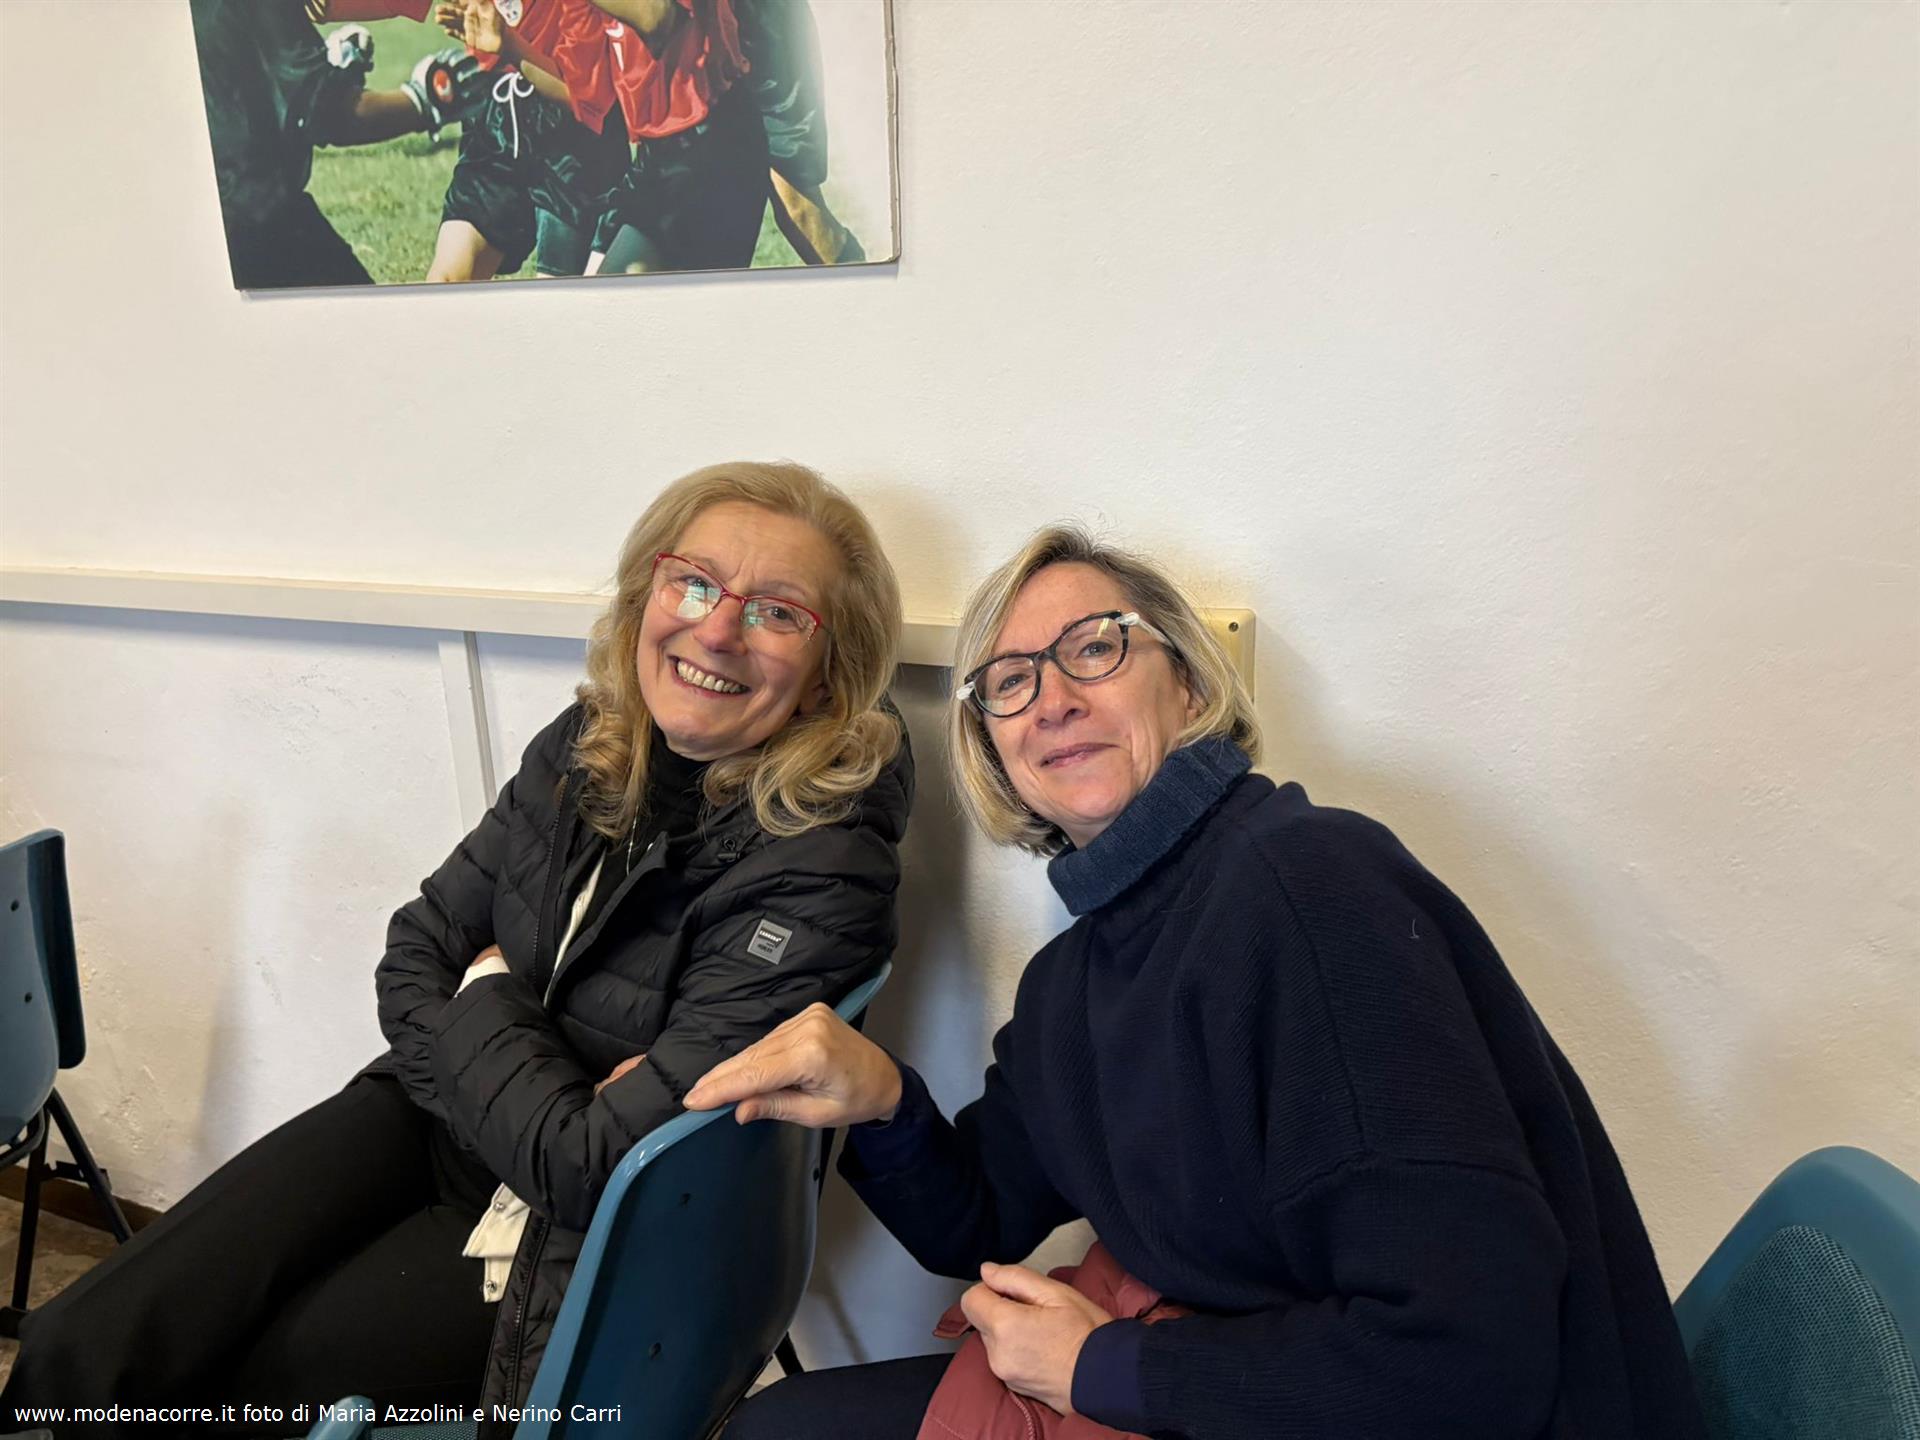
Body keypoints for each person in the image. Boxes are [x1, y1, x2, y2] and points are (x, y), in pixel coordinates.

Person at [697, 527, 1706, 1439]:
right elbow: (980, 1219)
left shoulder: (1309, 889)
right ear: (995, 754)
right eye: (1008, 681)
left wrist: (1100, 1368)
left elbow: (1466, 1361)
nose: (1052, 698)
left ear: (1187, 685)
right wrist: (882, 1100)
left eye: (1095, 647)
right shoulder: (1081, 975)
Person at [0, 462, 914, 1435]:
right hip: (432, 1114)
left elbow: (593, 1165)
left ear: (830, 673)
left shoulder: (824, 868)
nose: (717, 629)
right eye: (693, 581)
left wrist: (484, 993)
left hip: (577, 1225)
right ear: (647, 592)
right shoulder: (591, 739)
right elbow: (414, 951)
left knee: (258, 1393)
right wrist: (530, 1069)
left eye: (778, 612)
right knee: (86, 1342)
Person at [188, 0, 488, 288]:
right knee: (369, 322)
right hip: (256, 216)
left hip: (188, 220)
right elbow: (331, 115)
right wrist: (425, 99)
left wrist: (332, 71)